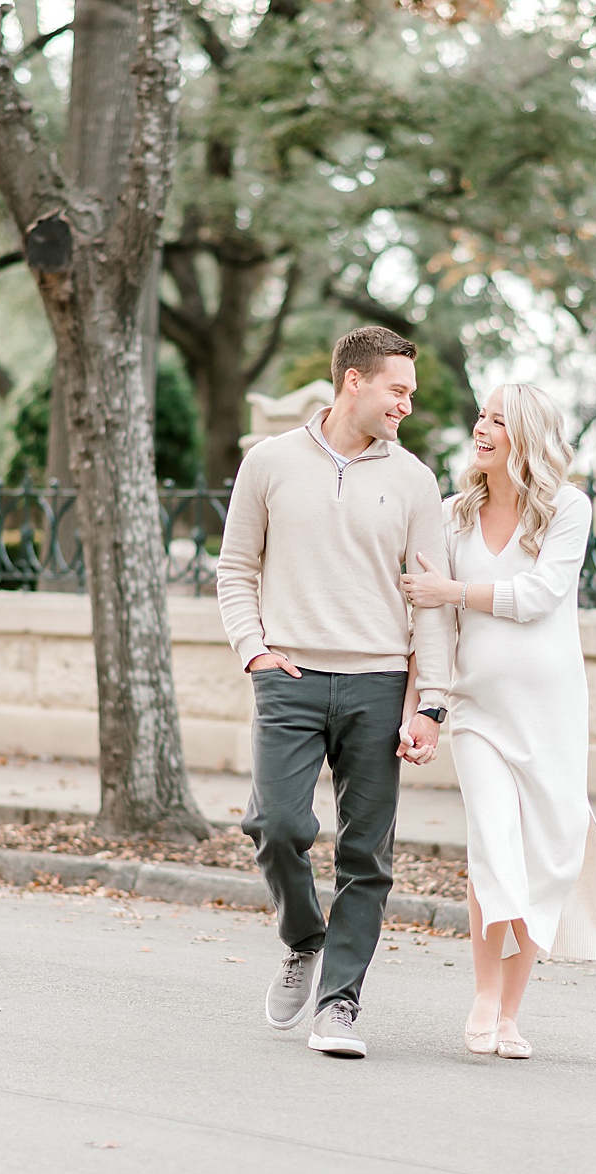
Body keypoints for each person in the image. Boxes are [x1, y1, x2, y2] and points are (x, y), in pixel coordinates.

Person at [215, 326, 451, 1059]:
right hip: (288, 676)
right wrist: (253, 651)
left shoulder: (414, 479)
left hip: (380, 680)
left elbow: (431, 602)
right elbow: (235, 569)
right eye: (398, 389)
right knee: (278, 826)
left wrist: (432, 702)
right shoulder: (270, 462)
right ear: (355, 381)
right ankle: (303, 937)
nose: (407, 404)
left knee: (365, 855)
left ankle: (340, 1004)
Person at [399, 383, 596, 1060]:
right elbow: (433, 621)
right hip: (478, 710)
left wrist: (453, 590)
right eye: (480, 414)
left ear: (526, 436)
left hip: (551, 713)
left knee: (545, 858)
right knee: (493, 847)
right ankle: (482, 996)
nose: (481, 427)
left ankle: (510, 1014)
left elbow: (540, 596)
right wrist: (426, 706)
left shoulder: (567, 508)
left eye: (497, 420)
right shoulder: (452, 517)